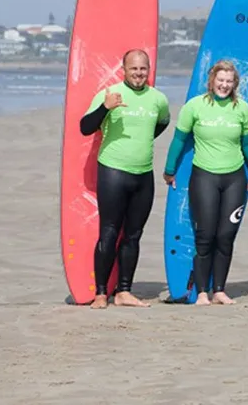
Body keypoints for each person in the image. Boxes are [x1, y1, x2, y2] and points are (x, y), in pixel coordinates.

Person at [163, 60, 248, 306]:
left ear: (235, 83)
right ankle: (203, 292)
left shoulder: (242, 109)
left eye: (229, 81)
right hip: (204, 176)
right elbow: (179, 141)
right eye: (221, 80)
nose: (224, 85)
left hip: (234, 178)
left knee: (226, 236)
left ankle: (219, 290)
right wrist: (169, 169)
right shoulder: (194, 107)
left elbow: (247, 144)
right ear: (211, 81)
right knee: (205, 235)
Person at [79, 48, 170, 309]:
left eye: (143, 69)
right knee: (109, 232)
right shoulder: (109, 94)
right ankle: (100, 294)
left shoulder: (157, 99)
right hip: (113, 172)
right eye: (134, 69)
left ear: (149, 69)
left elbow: (162, 123)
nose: (139, 74)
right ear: (124, 69)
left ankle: (124, 291)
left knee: (133, 235)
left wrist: (141, 142)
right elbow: (85, 127)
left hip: (143, 175)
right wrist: (105, 109)